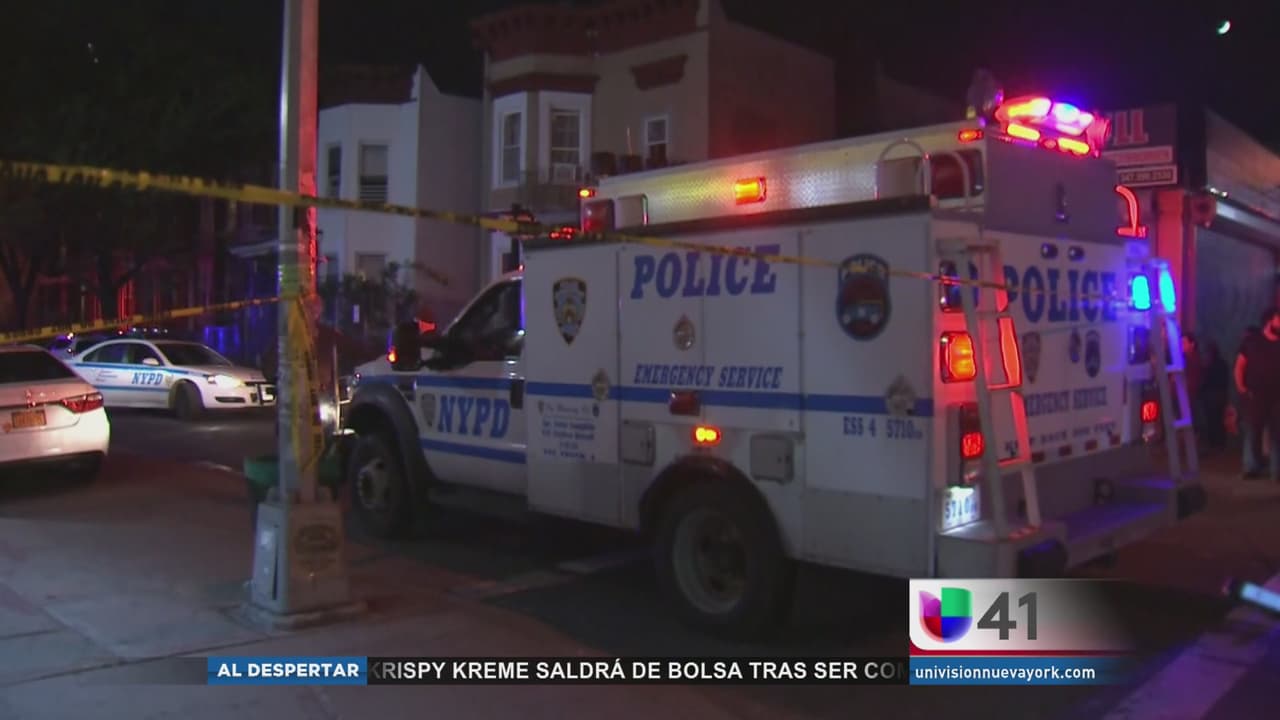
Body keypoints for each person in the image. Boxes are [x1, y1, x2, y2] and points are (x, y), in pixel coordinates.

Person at [1235, 309, 1280, 481]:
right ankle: (1251, 466)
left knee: (1277, 433)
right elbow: (1240, 365)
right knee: (1253, 431)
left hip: (1277, 396)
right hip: (1256, 395)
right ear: (1269, 321)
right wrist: (1241, 387)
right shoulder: (1253, 342)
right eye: (1278, 319)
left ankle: (1277, 470)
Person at [1201, 340, 1229, 451]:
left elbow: (1205, 381)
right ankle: (1221, 443)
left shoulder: (1208, 365)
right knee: (1220, 419)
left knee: (1212, 420)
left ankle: (1213, 443)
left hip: (1211, 395)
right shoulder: (1223, 364)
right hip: (1221, 394)